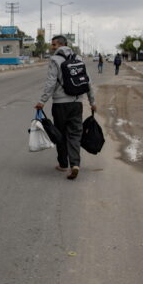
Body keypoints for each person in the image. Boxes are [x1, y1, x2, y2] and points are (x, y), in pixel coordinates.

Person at [35, 35, 97, 180]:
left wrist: (42, 101)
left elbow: (50, 83)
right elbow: (87, 81)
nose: (52, 47)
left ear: (60, 45)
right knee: (75, 135)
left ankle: (63, 164)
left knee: (60, 134)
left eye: (54, 45)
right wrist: (92, 102)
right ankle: (75, 164)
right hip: (77, 104)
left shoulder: (54, 60)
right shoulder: (78, 59)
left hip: (60, 104)